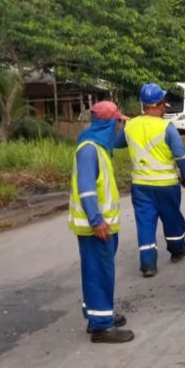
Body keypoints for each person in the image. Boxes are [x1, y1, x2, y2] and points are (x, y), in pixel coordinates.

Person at [69, 101, 134, 343]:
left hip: (102, 225)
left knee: (97, 271)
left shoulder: (97, 145)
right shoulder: (89, 150)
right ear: (109, 123)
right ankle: (101, 327)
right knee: (99, 273)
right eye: (118, 122)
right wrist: (96, 220)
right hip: (95, 227)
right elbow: (86, 190)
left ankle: (97, 315)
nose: (119, 127)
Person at [116, 83, 185, 278]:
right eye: (163, 104)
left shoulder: (130, 126)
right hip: (166, 186)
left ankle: (148, 264)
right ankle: (177, 249)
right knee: (171, 218)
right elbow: (180, 156)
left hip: (141, 186)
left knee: (145, 223)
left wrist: (123, 123)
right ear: (160, 104)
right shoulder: (166, 127)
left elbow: (116, 143)